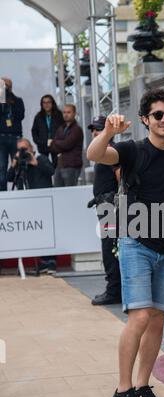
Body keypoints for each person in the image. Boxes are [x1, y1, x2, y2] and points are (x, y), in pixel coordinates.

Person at [87, 88, 164, 397]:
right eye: (158, 115)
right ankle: (122, 391)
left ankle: (142, 386)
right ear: (145, 119)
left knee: (157, 319)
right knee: (139, 317)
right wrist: (108, 131)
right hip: (136, 242)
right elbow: (95, 154)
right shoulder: (133, 150)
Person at [7, 138, 56, 273]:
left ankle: (50, 261)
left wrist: (35, 163)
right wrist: (15, 162)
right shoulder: (20, 163)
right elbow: (9, 177)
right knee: (35, 231)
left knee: (46, 230)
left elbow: (51, 171)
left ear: (31, 147)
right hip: (27, 203)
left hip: (44, 201)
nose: (23, 152)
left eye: (25, 148)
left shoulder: (41, 158)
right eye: (20, 149)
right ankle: (42, 261)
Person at [88, 116, 121, 306]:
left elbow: (120, 178)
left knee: (110, 249)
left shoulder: (111, 151)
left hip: (111, 208)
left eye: (98, 129)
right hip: (105, 206)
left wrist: (117, 203)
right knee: (109, 247)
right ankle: (115, 289)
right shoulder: (102, 151)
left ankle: (114, 291)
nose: (94, 132)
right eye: (93, 129)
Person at [0, 78, 25, 191]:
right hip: (1, 138)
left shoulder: (18, 100)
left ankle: (19, 190)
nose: (5, 88)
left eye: (7, 86)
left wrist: (11, 99)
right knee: (2, 167)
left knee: (17, 165)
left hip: (15, 138)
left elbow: (21, 116)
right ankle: (3, 193)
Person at [50, 104, 83, 187]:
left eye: (68, 112)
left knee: (70, 192)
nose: (66, 114)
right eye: (64, 112)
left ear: (74, 113)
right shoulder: (61, 128)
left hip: (71, 166)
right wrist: (58, 143)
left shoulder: (77, 129)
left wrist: (55, 141)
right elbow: (53, 147)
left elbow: (67, 144)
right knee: (58, 191)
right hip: (59, 165)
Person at [31, 95, 64, 168]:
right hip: (43, 145)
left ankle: (57, 179)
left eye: (48, 102)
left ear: (52, 103)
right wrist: (38, 141)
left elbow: (64, 129)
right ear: (42, 104)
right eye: (44, 103)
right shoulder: (38, 116)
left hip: (56, 145)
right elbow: (34, 131)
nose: (46, 105)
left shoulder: (59, 115)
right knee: (44, 167)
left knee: (58, 166)